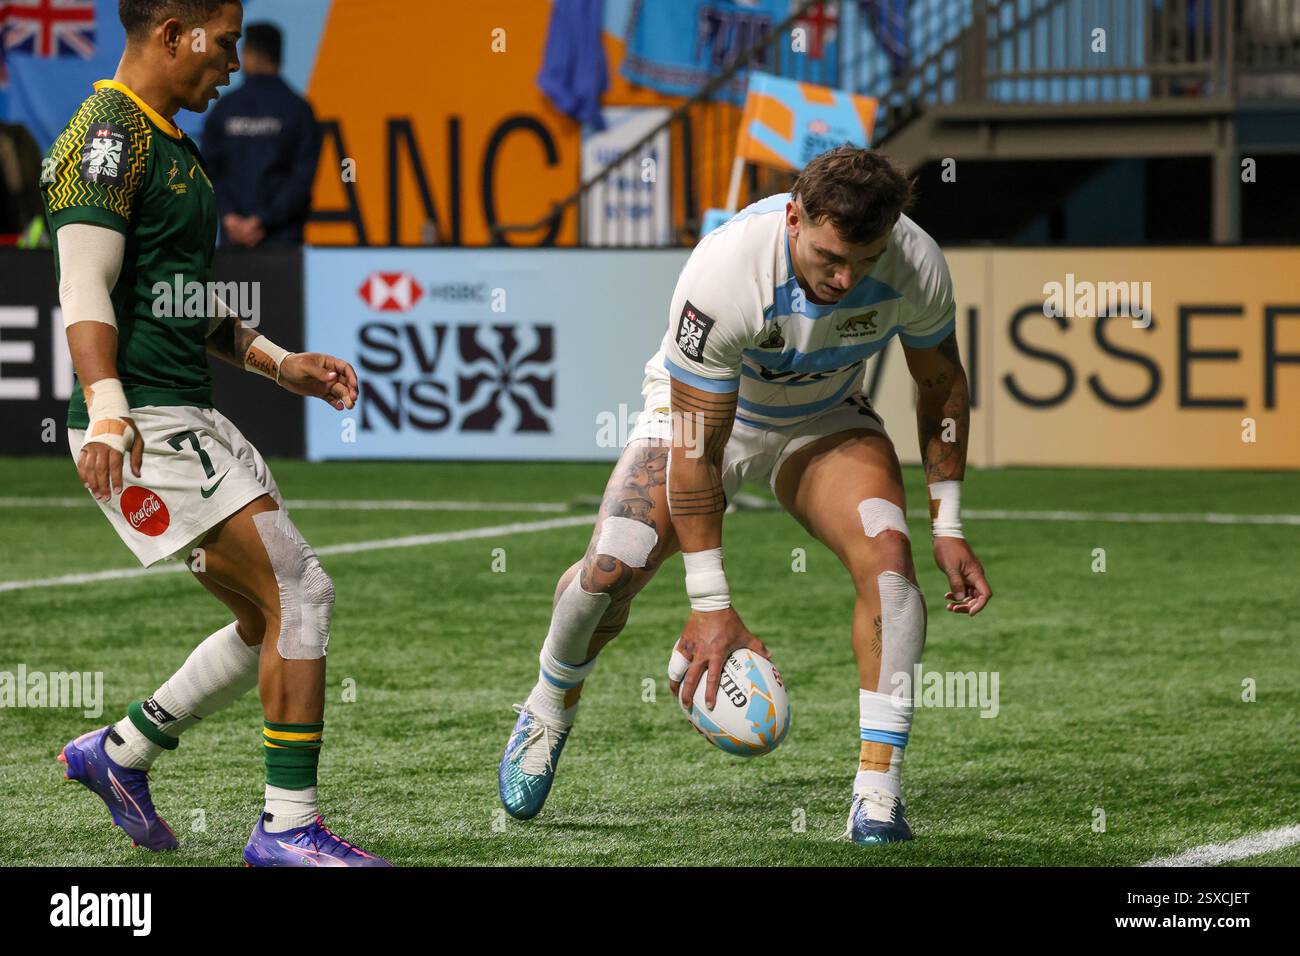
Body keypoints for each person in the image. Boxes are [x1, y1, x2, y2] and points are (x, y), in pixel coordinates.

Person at [498, 146, 992, 845]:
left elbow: (941, 385)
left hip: (825, 419)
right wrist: (711, 608)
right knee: (611, 566)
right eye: (828, 257)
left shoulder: (915, 262)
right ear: (794, 218)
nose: (845, 279)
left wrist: (948, 521)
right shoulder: (725, 272)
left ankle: (878, 794)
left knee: (891, 566)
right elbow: (698, 447)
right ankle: (547, 708)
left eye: (864, 259)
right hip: (704, 420)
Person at [41, 0, 388, 866]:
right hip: (146, 423)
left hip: (182, 412)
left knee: (260, 615)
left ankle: (120, 751)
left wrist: (281, 363)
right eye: (224, 44)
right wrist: (110, 408)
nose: (233, 65)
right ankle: (286, 829)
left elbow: (181, 301)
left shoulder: (170, 142)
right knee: (301, 596)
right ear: (172, 34)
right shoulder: (105, 137)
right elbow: (83, 287)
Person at [202, 21, 320, 247]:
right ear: (280, 57)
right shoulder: (299, 111)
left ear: (246, 56)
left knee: (237, 286)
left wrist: (229, 216)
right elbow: (301, 180)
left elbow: (208, 172)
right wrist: (263, 220)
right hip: (282, 246)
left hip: (233, 243)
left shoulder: (223, 110)